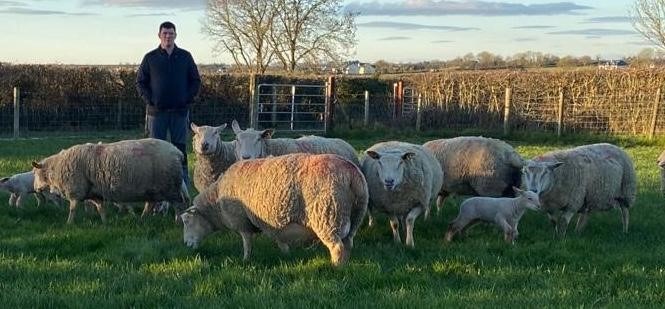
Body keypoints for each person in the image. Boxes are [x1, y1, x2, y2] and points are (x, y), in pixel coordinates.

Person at [136, 21, 201, 186]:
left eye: (171, 33)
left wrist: (187, 99)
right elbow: (140, 82)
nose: (168, 36)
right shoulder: (150, 58)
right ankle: (155, 188)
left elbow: (195, 80)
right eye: (164, 33)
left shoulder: (185, 57)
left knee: (180, 150)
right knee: (154, 150)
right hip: (156, 113)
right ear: (159, 36)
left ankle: (182, 185)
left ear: (175, 35)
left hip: (179, 112)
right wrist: (150, 100)